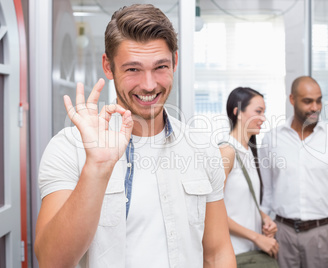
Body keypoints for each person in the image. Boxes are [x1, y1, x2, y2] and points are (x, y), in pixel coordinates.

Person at [34, 4, 236, 268]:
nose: (149, 84)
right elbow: (52, 260)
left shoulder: (201, 147)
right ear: (108, 66)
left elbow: (217, 253)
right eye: (133, 69)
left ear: (175, 62)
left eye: (160, 66)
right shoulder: (68, 148)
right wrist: (96, 168)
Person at [259, 76, 328, 268]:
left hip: (323, 234)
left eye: (319, 100)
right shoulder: (272, 139)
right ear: (292, 99)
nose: (315, 107)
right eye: (308, 101)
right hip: (282, 234)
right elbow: (268, 192)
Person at [219, 87, 279, 262]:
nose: (263, 118)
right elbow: (213, 213)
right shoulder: (225, 151)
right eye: (258, 111)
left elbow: (239, 202)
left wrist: (264, 218)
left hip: (251, 253)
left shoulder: (248, 152)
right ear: (238, 112)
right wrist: (257, 237)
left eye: (264, 112)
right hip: (234, 253)